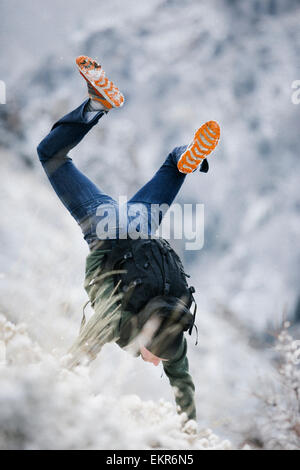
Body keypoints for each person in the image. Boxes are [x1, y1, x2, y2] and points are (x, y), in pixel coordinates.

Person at [37, 56, 220, 422]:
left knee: (171, 165)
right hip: (104, 229)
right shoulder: (125, 329)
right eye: (156, 359)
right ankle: (97, 104)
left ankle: (186, 159)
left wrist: (191, 423)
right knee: (50, 154)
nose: (156, 364)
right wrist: (57, 381)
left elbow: (183, 383)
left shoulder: (177, 323)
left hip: (142, 225)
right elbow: (87, 343)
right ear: (148, 343)